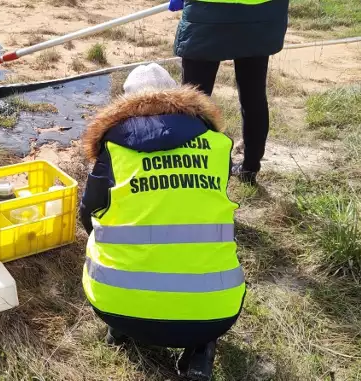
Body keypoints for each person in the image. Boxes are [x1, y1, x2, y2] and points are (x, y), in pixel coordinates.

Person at [79, 63, 245, 381]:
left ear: (124, 106)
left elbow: (88, 214)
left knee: (101, 229)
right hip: (212, 313)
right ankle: (200, 352)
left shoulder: (114, 149)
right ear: (180, 99)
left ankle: (120, 328)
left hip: (115, 303)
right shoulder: (217, 146)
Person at [170, 0, 290, 185]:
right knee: (254, 93)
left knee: (192, 100)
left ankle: (190, 169)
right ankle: (250, 168)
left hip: (208, 12)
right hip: (261, 12)